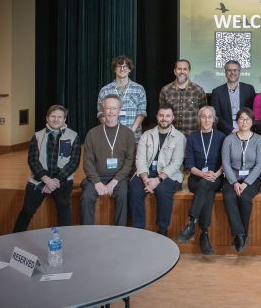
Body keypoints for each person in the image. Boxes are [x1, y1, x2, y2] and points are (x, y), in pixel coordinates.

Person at [13, 105, 81, 232]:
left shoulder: (73, 136)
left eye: (59, 117)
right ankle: (14, 239)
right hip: (39, 180)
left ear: (64, 119)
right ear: (47, 118)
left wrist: (55, 181)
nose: (56, 119)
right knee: (27, 210)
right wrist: (46, 179)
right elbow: (32, 160)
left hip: (62, 180)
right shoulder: (37, 136)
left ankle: (66, 240)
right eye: (53, 116)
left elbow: (74, 162)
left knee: (63, 206)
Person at [177, 106, 226, 255]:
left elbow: (226, 162)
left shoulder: (221, 137)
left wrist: (216, 174)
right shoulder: (192, 137)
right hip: (196, 178)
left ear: (214, 119)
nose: (206, 120)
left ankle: (192, 224)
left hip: (216, 177)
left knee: (206, 187)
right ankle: (204, 234)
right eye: (203, 117)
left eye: (209, 117)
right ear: (199, 119)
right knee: (206, 188)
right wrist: (203, 174)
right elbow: (189, 164)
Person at [129, 106, 185, 236]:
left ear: (173, 118)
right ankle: (138, 229)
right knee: (134, 188)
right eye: (161, 115)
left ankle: (162, 229)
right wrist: (145, 179)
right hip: (146, 173)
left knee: (163, 190)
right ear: (157, 117)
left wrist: (158, 180)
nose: (164, 119)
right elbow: (140, 160)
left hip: (169, 175)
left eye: (167, 116)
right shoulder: (146, 135)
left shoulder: (179, 137)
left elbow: (176, 163)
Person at [81, 94, 136, 225]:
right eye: (108, 108)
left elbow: (129, 162)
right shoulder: (92, 133)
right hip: (96, 177)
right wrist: (96, 182)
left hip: (119, 178)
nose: (111, 112)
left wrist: (114, 181)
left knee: (123, 194)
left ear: (119, 110)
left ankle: (120, 232)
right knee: (86, 197)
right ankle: (86, 233)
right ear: (103, 110)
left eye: (114, 108)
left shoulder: (128, 134)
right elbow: (87, 162)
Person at [222, 108, 261, 252]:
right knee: (229, 197)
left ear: (252, 121)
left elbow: (260, 165)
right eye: (241, 119)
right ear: (237, 121)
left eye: (247, 119)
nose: (244, 122)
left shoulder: (258, 140)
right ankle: (241, 234)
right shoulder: (229, 139)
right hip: (232, 177)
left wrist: (246, 183)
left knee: (245, 198)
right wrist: (234, 183)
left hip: (251, 179)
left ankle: (242, 234)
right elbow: (226, 163)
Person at [97, 55, 147, 141]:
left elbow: (141, 113)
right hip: (111, 137)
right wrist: (112, 131)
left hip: (133, 137)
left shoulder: (139, 89)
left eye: (125, 66)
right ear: (114, 69)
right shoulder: (105, 90)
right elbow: (101, 113)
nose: (122, 69)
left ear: (130, 69)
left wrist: (131, 132)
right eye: (119, 66)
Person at [159, 59, 207, 136]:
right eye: (179, 69)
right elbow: (161, 115)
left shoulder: (198, 90)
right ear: (175, 71)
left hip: (192, 137)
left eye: (185, 69)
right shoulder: (165, 90)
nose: (182, 72)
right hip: (170, 136)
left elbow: (203, 115)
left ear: (189, 71)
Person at [210, 60, 256, 135]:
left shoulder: (249, 89)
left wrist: (245, 128)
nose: (232, 73)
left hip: (246, 131)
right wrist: (232, 130)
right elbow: (216, 116)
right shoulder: (217, 92)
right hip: (225, 133)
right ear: (225, 73)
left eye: (235, 70)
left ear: (239, 72)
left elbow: (252, 113)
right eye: (229, 70)